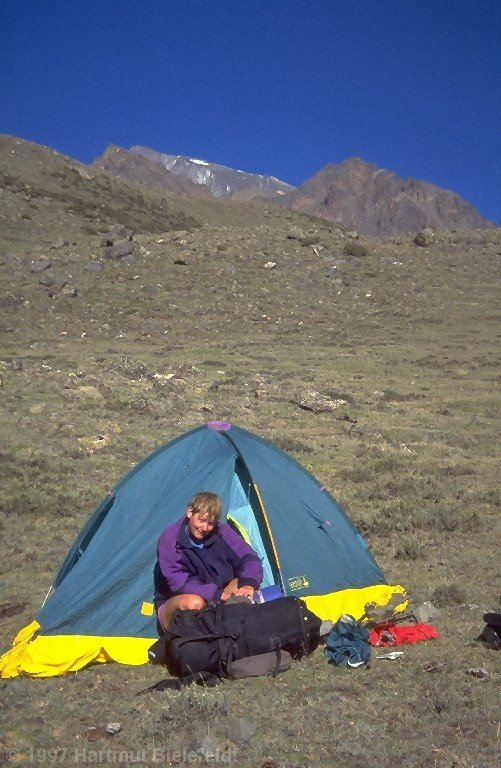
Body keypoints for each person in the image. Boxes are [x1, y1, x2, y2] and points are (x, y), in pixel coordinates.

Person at [155, 491, 263, 631]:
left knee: (244, 585)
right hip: (179, 601)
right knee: (195, 603)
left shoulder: (223, 532)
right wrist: (216, 595)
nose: (204, 528)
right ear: (190, 512)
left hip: (217, 596)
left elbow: (249, 558)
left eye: (211, 523)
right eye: (201, 520)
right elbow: (178, 582)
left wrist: (248, 585)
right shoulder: (170, 539)